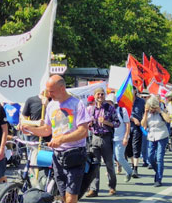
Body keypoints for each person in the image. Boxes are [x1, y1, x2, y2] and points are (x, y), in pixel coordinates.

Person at [22, 75, 92, 203]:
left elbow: (83, 131)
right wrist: (30, 129)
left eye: (51, 91)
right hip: (57, 156)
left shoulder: (77, 104)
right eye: (48, 90)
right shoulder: (51, 105)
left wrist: (62, 139)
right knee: (63, 196)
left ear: (62, 88)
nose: (48, 94)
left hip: (75, 154)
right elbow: (46, 130)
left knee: (71, 198)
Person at [85, 88, 120, 197]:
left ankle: (112, 186)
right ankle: (94, 189)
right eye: (98, 94)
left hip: (106, 137)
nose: (100, 96)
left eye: (102, 94)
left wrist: (106, 122)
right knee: (95, 165)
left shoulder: (110, 108)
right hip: (95, 137)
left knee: (109, 164)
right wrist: (89, 124)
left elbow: (117, 123)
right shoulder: (91, 109)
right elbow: (86, 124)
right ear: (94, 96)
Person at [141, 96, 170, 187]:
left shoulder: (160, 112)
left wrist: (160, 111)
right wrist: (145, 113)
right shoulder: (147, 113)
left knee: (159, 158)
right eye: (150, 108)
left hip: (162, 135)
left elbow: (168, 120)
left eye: (153, 108)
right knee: (150, 157)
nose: (152, 110)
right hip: (151, 136)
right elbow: (143, 125)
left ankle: (158, 179)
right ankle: (158, 170)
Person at [108, 94, 133, 183]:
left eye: (109, 102)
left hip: (121, 137)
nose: (107, 104)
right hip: (110, 137)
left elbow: (127, 124)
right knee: (111, 158)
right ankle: (111, 179)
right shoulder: (106, 111)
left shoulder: (122, 110)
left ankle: (129, 171)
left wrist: (126, 137)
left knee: (119, 157)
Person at [128, 88, 145, 178]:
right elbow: (123, 113)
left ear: (135, 91)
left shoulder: (141, 101)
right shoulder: (125, 101)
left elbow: (145, 113)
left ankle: (135, 168)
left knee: (136, 147)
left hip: (137, 128)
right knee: (128, 149)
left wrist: (143, 121)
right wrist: (133, 118)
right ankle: (132, 165)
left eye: (132, 90)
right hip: (126, 127)